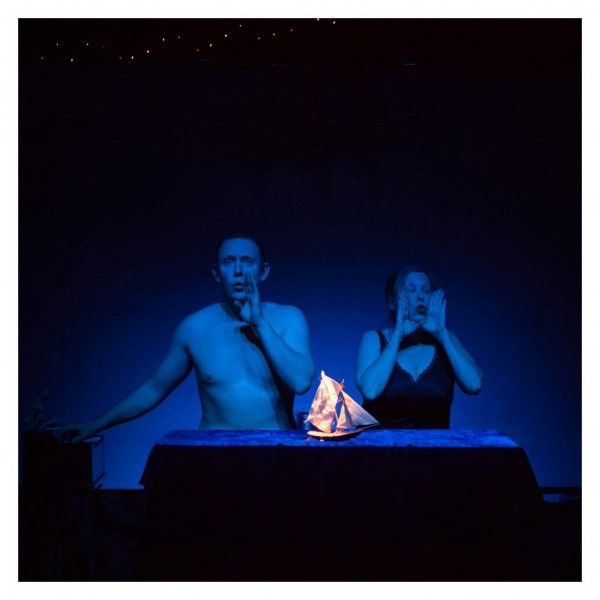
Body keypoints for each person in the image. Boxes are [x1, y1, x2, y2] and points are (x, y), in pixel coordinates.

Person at [61, 236, 315, 442]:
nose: (238, 271)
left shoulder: (288, 318)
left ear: (263, 271)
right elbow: (154, 388)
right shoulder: (195, 327)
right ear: (217, 273)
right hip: (214, 453)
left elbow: (301, 381)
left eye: (247, 261)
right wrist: (96, 424)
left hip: (274, 450)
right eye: (229, 262)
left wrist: (260, 323)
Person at [354, 267, 482, 429]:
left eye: (426, 291)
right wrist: (398, 336)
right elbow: (370, 391)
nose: (420, 296)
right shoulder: (374, 338)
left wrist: (442, 334)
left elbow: (473, 385)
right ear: (393, 302)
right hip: (381, 444)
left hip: (434, 445)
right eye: (411, 290)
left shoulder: (446, 340)